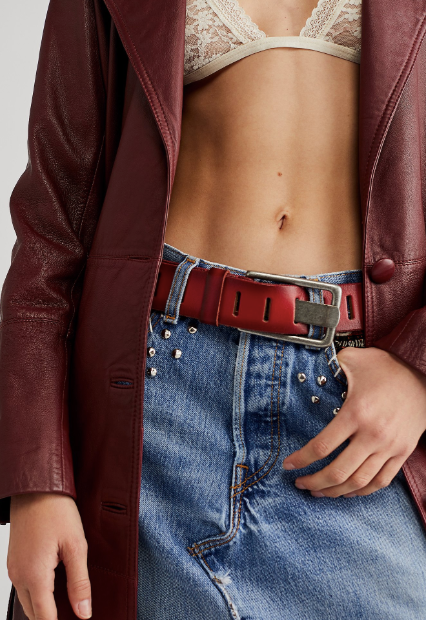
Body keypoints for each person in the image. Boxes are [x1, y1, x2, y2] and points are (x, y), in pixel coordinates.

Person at [2, 0, 426, 618]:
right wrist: (37, 481)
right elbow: (52, 229)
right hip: (154, 409)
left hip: (355, 423)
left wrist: (418, 369)